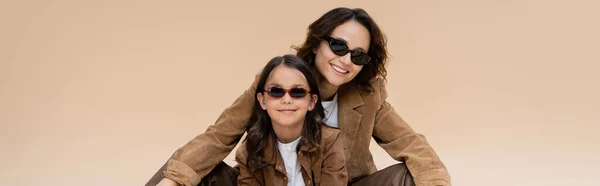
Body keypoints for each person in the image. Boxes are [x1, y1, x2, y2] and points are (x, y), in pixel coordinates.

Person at [149, 7, 450, 186]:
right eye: (339, 46)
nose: (345, 60)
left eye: (358, 55)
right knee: (186, 167)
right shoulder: (279, 84)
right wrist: (174, 180)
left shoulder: (368, 96)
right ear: (318, 42)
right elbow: (219, 136)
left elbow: (411, 143)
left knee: (410, 176)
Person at [236, 54, 347, 186]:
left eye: (297, 92)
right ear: (262, 101)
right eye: (276, 91)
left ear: (312, 101)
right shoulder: (248, 150)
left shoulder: (329, 141)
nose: (287, 100)